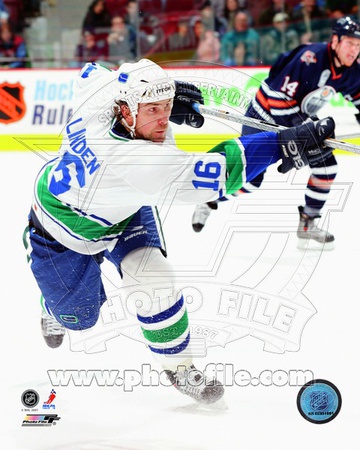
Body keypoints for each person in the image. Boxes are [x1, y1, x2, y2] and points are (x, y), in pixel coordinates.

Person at [24, 59, 334, 404]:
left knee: (156, 280)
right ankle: (51, 310)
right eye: (152, 110)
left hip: (124, 208)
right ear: (125, 111)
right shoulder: (138, 163)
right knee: (79, 319)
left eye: (166, 107)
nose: (162, 118)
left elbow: (93, 69)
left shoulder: (102, 92)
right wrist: (281, 143)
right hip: (63, 232)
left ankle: (180, 369)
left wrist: (166, 91)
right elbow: (217, 171)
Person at [192, 16, 360, 249]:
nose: (354, 50)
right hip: (263, 119)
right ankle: (210, 200)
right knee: (250, 181)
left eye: (358, 45)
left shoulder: (352, 71)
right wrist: (303, 131)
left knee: (326, 167)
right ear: (335, 40)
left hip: (299, 124)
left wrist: (304, 132)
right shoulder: (310, 59)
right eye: (350, 43)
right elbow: (277, 98)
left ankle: (307, 224)